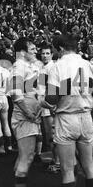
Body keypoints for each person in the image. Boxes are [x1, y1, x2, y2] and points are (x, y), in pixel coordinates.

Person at [45, 34, 93, 187]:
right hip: (85, 116)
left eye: (54, 48)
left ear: (60, 47)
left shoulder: (57, 66)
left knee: (68, 170)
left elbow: (52, 98)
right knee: (89, 166)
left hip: (66, 117)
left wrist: (44, 101)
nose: (53, 51)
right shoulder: (88, 65)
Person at [9, 37, 42, 187]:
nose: (35, 51)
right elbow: (15, 93)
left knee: (25, 156)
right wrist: (28, 113)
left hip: (29, 118)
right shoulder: (19, 66)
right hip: (25, 119)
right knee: (26, 157)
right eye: (32, 49)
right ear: (22, 52)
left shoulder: (26, 66)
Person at [38, 42, 60, 173]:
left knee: (53, 135)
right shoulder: (42, 68)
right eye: (43, 53)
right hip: (43, 104)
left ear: (52, 55)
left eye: (47, 53)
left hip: (50, 104)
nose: (45, 56)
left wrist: (53, 104)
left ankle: (58, 162)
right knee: (48, 135)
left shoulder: (53, 67)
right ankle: (54, 159)